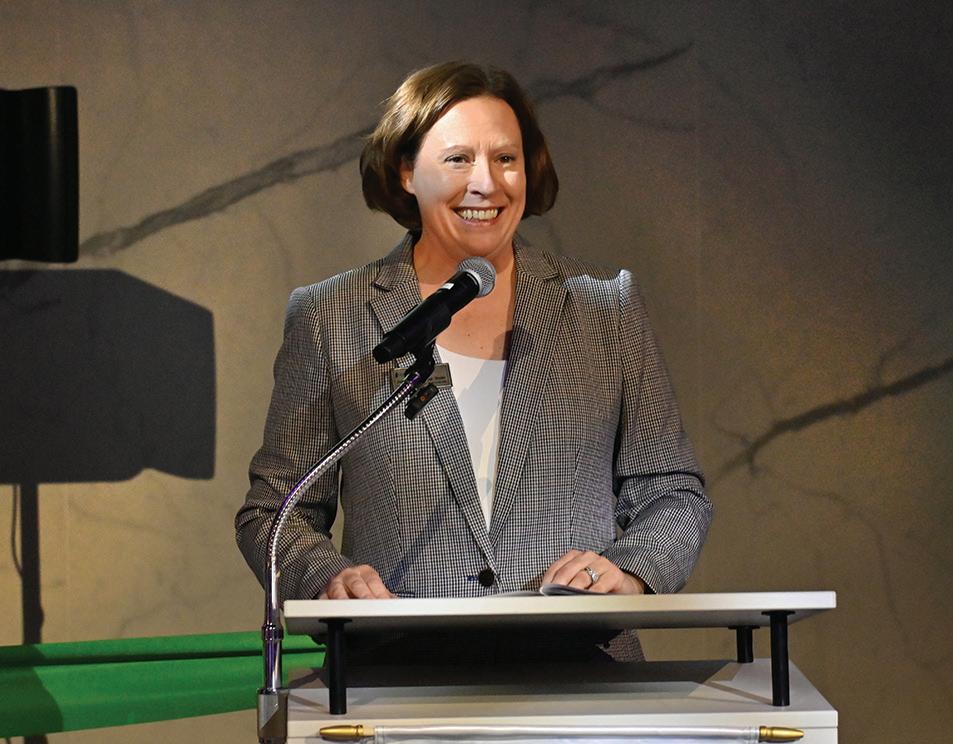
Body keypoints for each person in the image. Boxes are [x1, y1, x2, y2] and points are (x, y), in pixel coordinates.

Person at [235, 62, 711, 658]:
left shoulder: (603, 307)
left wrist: (631, 572)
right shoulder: (329, 316)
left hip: (581, 667)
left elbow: (672, 491)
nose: (486, 183)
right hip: (397, 671)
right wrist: (329, 579)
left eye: (506, 158)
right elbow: (275, 510)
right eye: (458, 159)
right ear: (406, 171)